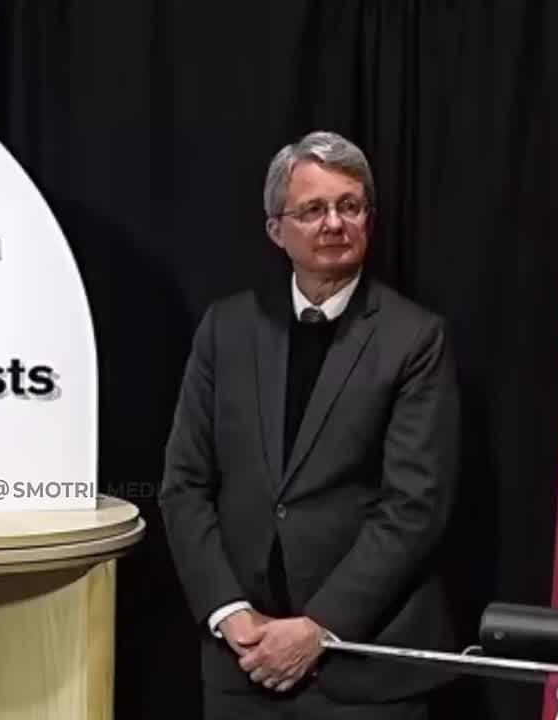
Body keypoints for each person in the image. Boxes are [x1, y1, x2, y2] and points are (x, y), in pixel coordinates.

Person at [159, 130, 461, 720]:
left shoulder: (416, 339)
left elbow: (415, 507)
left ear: (369, 219)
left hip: (363, 672)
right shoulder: (226, 328)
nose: (334, 224)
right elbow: (184, 485)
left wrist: (319, 628)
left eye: (350, 206)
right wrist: (228, 612)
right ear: (277, 230)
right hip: (241, 663)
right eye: (313, 209)